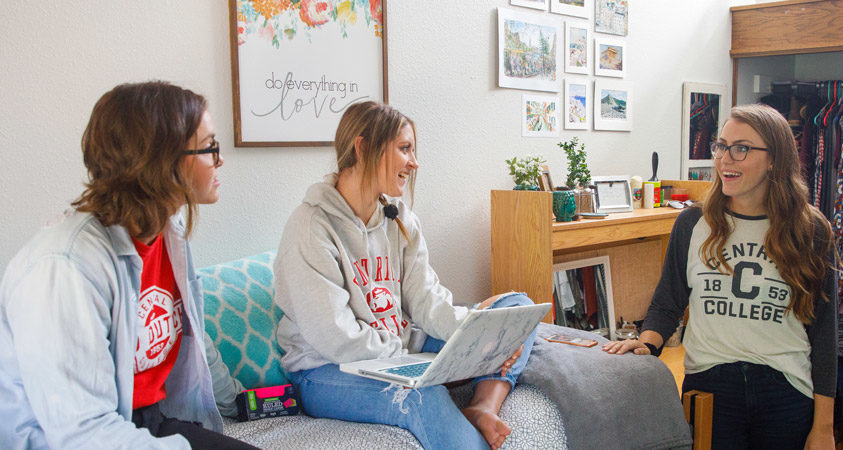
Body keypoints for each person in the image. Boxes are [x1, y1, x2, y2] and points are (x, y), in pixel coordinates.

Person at [0, 81, 256, 449]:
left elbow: (194, 340)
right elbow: (82, 435)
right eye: (209, 147)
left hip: (147, 420)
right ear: (161, 162)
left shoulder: (168, 233)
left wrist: (241, 401)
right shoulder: (64, 267)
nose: (219, 159)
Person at [273, 101, 536, 450]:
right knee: (419, 395)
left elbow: (426, 298)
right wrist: (414, 362)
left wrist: (473, 334)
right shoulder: (311, 227)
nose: (414, 162)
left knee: (515, 313)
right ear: (363, 147)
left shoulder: (400, 220)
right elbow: (335, 337)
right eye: (405, 148)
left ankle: (482, 405)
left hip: (395, 350)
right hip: (324, 370)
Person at [603, 104, 837, 450]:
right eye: (721, 146)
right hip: (710, 387)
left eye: (741, 148)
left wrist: (824, 429)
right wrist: (647, 341)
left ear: (774, 159)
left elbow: (824, 336)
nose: (725, 159)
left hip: (786, 393)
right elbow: (669, 300)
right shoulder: (692, 223)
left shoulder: (810, 230)